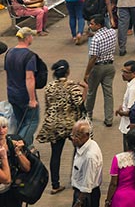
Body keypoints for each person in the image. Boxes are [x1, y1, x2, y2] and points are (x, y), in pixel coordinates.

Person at [37, 59, 84, 195]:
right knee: (78, 152)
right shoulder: (72, 86)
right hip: (70, 125)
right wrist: (85, 89)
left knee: (55, 155)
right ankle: (76, 180)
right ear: (68, 72)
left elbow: (48, 106)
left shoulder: (49, 87)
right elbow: (80, 104)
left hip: (53, 125)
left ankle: (55, 185)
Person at [4, 27, 40, 147]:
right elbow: (29, 78)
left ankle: (27, 149)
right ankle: (16, 145)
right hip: (24, 95)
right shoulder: (29, 56)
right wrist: (32, 99)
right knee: (32, 122)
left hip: (12, 93)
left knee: (20, 121)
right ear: (28, 37)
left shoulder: (9, 53)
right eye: (32, 36)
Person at [82, 15, 117, 127]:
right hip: (110, 66)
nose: (90, 25)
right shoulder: (112, 32)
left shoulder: (96, 39)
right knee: (108, 93)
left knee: (91, 92)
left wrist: (87, 73)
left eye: (92, 24)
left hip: (97, 68)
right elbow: (103, 36)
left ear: (98, 25)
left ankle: (88, 115)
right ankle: (109, 118)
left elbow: (93, 57)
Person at [106, 128, 135, 207]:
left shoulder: (118, 159)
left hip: (123, 199)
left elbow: (113, 184)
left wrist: (108, 200)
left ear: (127, 142)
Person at [0, 114, 33, 206]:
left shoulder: (13, 142)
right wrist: (3, 156)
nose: (1, 131)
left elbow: (27, 168)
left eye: (4, 127)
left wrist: (18, 152)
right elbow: (6, 179)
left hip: (13, 192)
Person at [70, 120, 103, 207]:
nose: (73, 139)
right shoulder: (84, 145)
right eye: (72, 135)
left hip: (85, 196)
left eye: (77, 136)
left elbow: (87, 184)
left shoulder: (89, 156)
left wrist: (79, 202)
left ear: (86, 135)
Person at [116, 60, 135, 149]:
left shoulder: (133, 89)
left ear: (134, 73)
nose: (123, 74)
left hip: (129, 127)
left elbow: (132, 112)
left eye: (126, 72)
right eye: (122, 71)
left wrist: (120, 112)